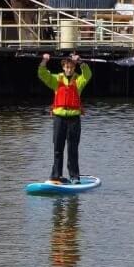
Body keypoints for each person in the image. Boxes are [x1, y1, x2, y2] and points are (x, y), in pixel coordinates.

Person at [38, 52, 92, 184]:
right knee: (58, 149)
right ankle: (56, 176)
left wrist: (80, 62)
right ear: (63, 67)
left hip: (74, 120)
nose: (69, 69)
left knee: (72, 149)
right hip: (59, 118)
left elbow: (88, 74)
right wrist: (44, 61)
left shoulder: (79, 81)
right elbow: (42, 74)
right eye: (67, 67)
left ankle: (74, 177)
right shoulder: (56, 80)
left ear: (74, 68)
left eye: (71, 67)